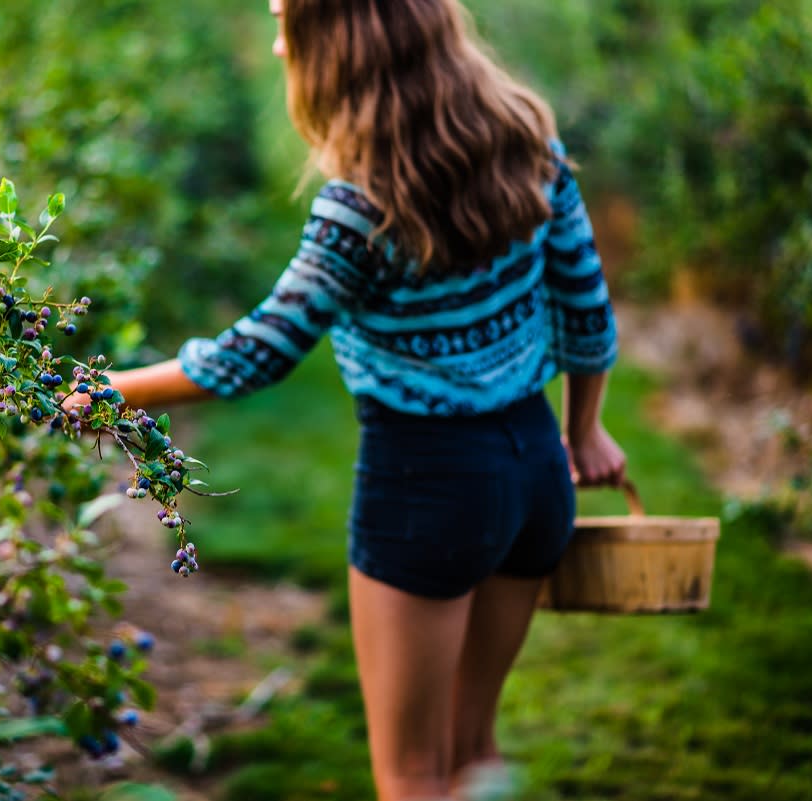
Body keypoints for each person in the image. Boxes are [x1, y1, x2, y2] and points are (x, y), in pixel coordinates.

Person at [72, 1, 626, 798]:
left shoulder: (362, 205)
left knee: (410, 776)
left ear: (339, 47)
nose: (274, 41)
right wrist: (586, 431)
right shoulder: (529, 141)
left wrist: (107, 391)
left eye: (283, 20)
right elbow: (587, 311)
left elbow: (256, 354)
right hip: (535, 470)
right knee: (476, 754)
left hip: (425, 490)